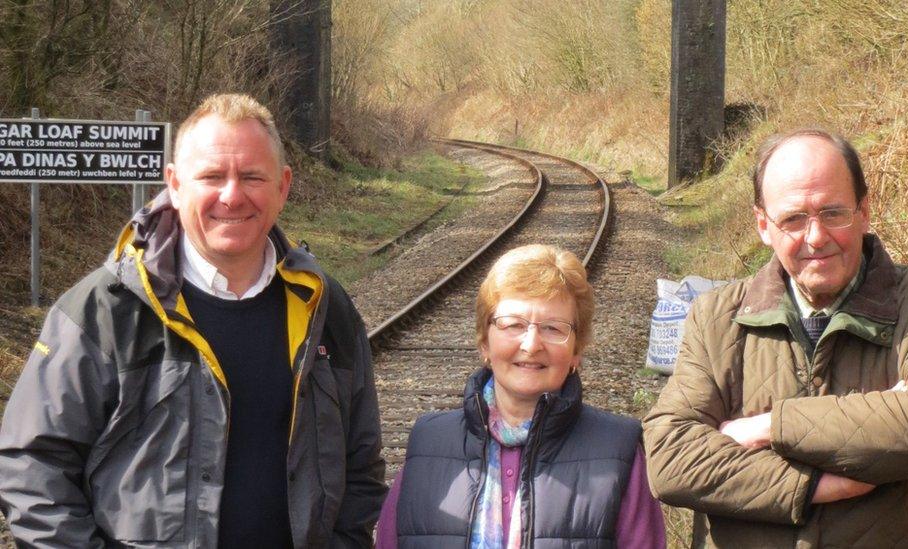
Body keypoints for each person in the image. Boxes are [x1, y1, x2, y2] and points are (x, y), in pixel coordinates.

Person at [0, 93, 386, 548]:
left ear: (282, 186)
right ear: (176, 185)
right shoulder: (106, 309)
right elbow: (32, 467)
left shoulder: (324, 306)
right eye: (212, 176)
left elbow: (360, 463)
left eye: (251, 176)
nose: (232, 195)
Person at [644, 128, 908, 547]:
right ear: (764, 225)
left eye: (833, 213)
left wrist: (764, 427)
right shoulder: (717, 317)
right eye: (794, 219)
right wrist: (816, 485)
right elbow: (671, 459)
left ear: (864, 211)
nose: (816, 238)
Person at [376, 244, 666, 549]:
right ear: (484, 342)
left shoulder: (618, 451)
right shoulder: (428, 444)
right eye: (513, 324)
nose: (531, 344)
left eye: (553, 328)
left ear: (576, 350)